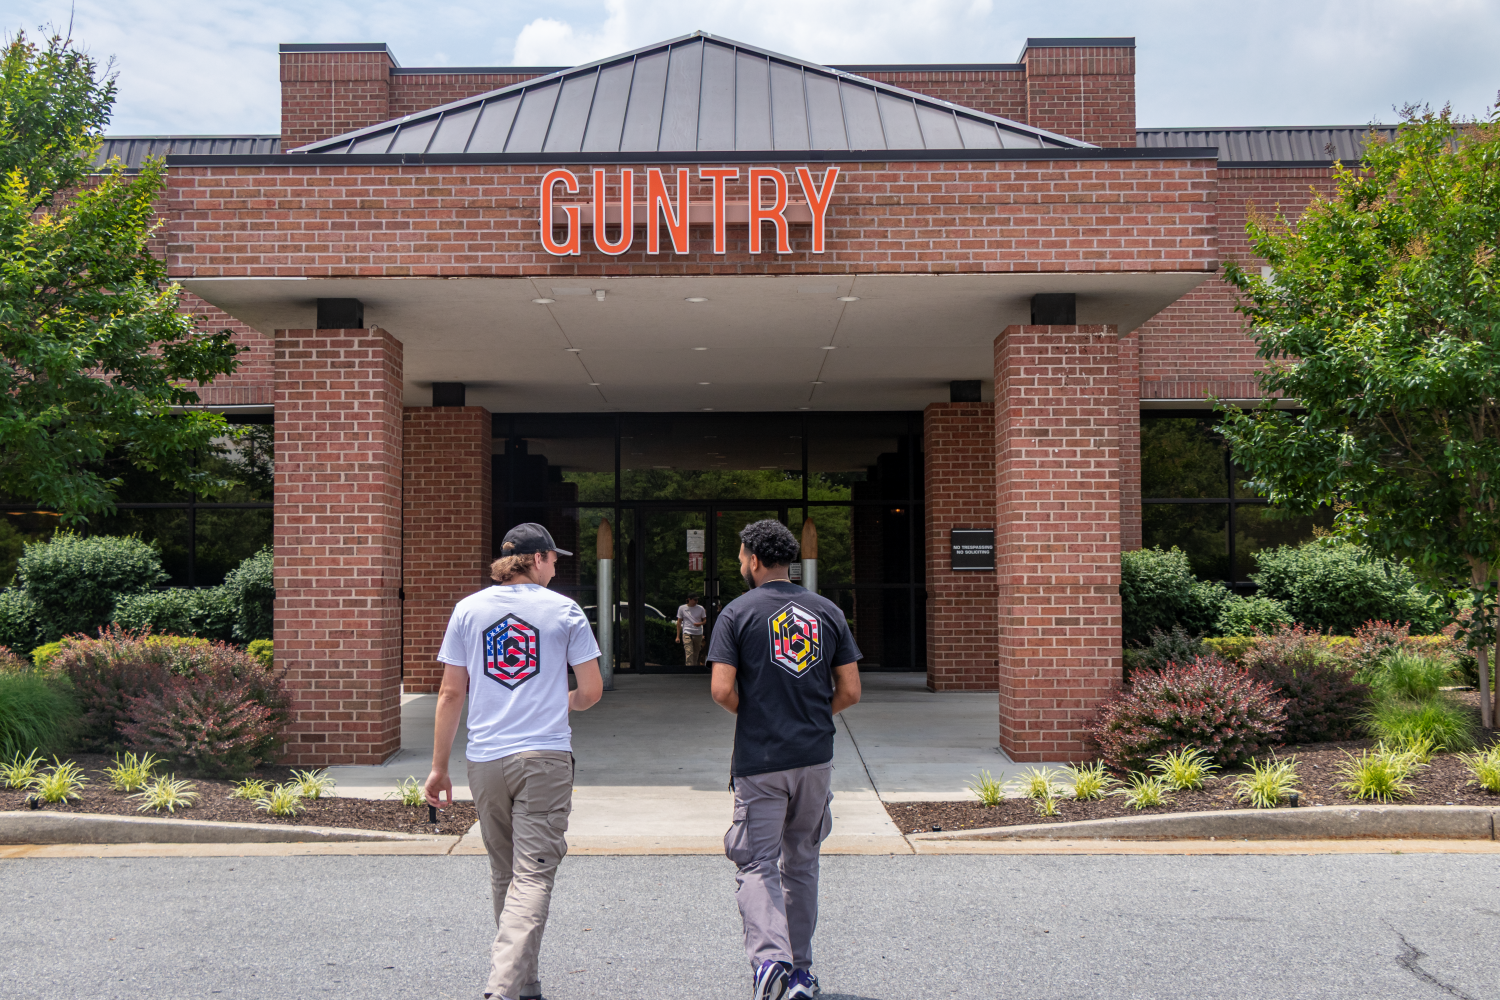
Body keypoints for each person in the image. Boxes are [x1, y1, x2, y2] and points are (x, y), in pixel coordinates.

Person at [426, 523, 603, 1000]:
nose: (557, 566)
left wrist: (439, 767)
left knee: (506, 873)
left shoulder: (468, 609)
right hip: (543, 757)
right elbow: (590, 691)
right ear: (539, 558)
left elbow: (449, 693)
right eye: (555, 559)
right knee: (534, 873)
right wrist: (561, 701)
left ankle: (527, 985)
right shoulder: (565, 610)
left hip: (484, 759)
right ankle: (502, 988)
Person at [707, 519, 862, 1000]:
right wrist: (811, 713)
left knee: (756, 863)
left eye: (739, 556)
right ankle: (800, 974)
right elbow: (851, 691)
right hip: (816, 757)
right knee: (802, 864)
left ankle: (770, 961)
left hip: (761, 760)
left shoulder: (736, 613)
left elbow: (721, 690)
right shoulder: (828, 611)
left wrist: (757, 715)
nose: (739, 563)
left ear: (753, 558)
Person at [675, 593, 709, 666]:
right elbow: (679, 622)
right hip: (687, 632)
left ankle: (694, 667)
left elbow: (705, 620)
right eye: (695, 600)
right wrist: (677, 636)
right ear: (689, 599)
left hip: (698, 633)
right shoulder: (682, 608)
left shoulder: (701, 608)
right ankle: (689, 668)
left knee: (696, 652)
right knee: (689, 651)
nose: (696, 601)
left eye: (697, 600)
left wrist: (700, 623)